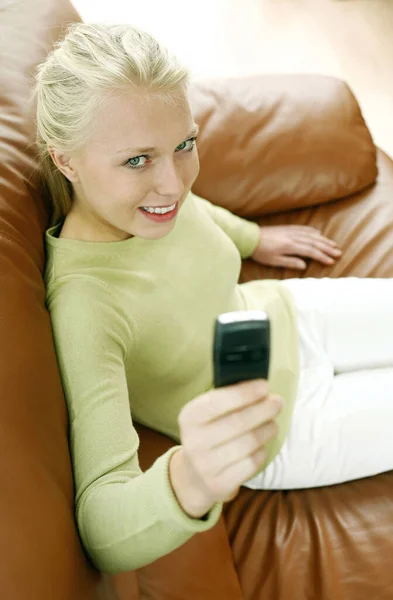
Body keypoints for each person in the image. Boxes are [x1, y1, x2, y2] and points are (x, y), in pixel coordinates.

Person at [31, 22, 393, 574]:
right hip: (284, 428)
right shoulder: (86, 306)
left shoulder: (148, 200)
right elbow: (101, 522)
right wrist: (191, 478)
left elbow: (193, 212)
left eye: (185, 145)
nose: (175, 183)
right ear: (66, 161)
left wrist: (254, 237)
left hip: (283, 313)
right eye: (137, 161)